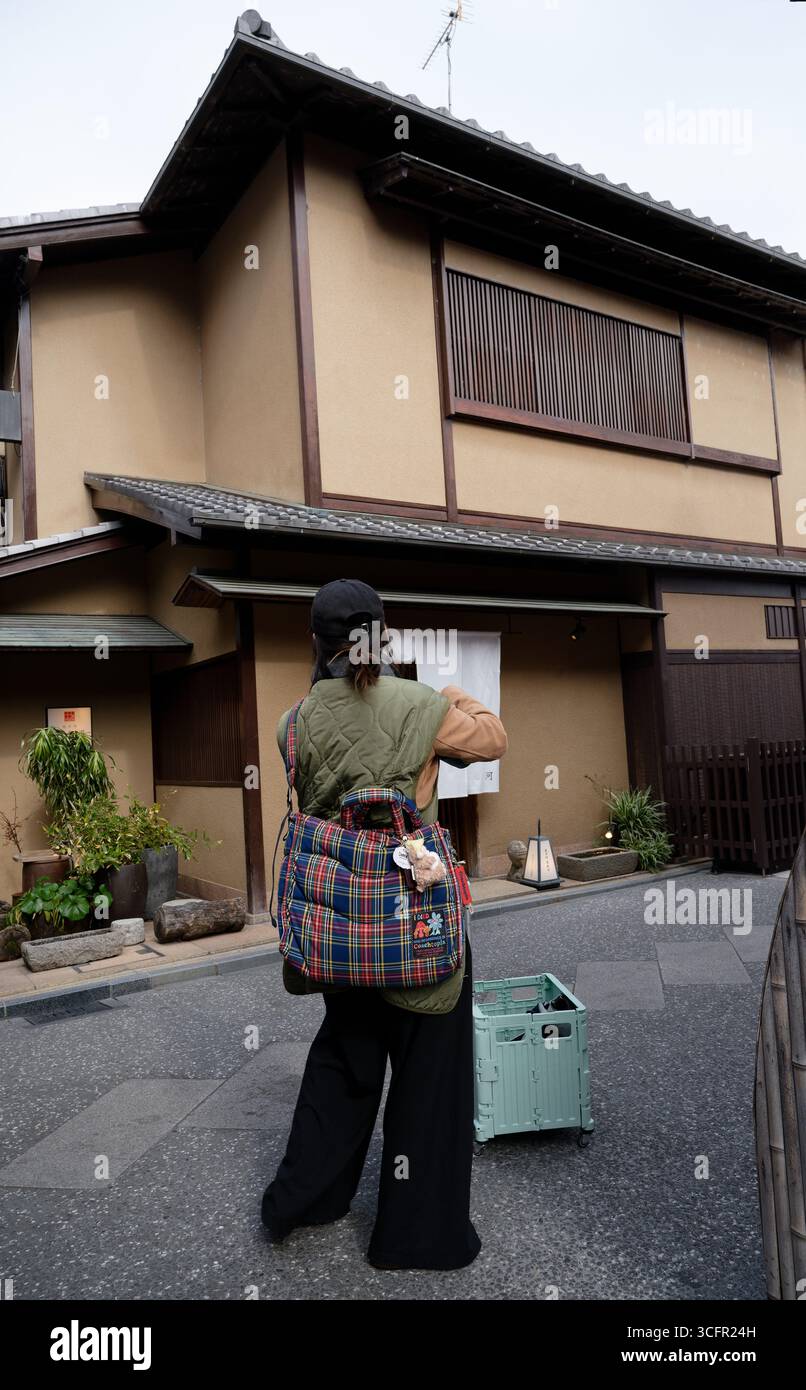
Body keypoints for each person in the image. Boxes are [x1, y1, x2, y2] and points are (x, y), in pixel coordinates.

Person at [261, 578, 507, 1270]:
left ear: (316, 642)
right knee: (430, 1074)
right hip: (416, 919)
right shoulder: (423, 706)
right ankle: (415, 1235)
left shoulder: (295, 721)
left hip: (343, 926)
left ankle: (306, 1200)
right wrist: (448, 694)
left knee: (346, 1058)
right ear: (383, 637)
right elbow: (492, 741)